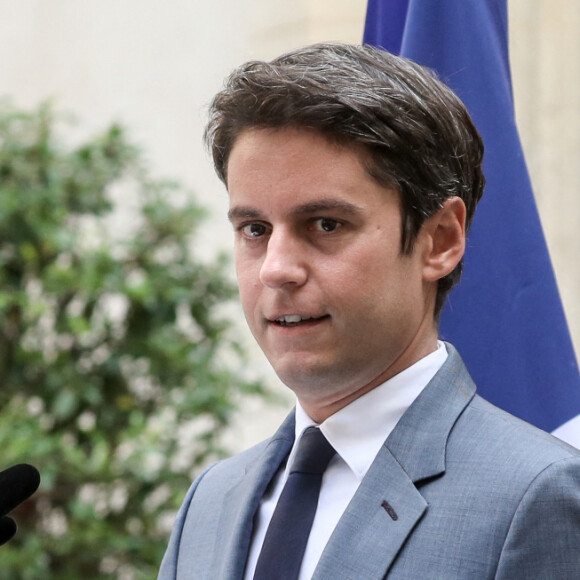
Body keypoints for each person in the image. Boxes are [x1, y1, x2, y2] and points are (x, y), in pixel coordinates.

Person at [158, 43, 580, 579]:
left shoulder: (538, 496)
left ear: (440, 240)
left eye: (326, 224)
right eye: (255, 230)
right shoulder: (211, 501)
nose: (276, 269)